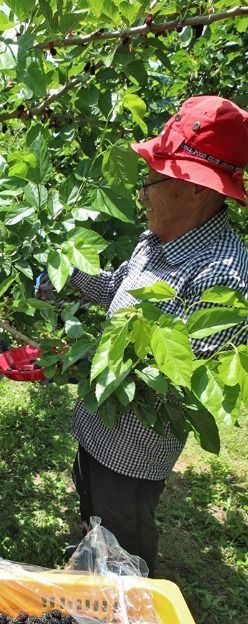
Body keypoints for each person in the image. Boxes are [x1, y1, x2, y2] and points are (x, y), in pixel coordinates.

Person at [43, 95, 248, 575]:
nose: (142, 194)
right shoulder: (156, 238)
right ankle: (91, 561)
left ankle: (126, 605)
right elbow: (114, 287)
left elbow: (179, 385)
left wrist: (82, 361)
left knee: (124, 536)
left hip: (133, 450)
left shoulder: (222, 275)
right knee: (92, 505)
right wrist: (61, 272)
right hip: (98, 424)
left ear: (195, 189)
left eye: (152, 181)